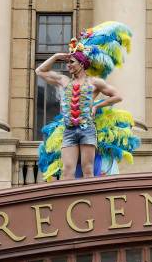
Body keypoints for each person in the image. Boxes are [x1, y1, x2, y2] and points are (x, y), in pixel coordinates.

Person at [36, 21, 140, 181]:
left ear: (82, 64)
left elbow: (117, 96)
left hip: (87, 129)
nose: (68, 65)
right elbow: (40, 71)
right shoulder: (64, 81)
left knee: (88, 170)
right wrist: (57, 56)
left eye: (71, 62)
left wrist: (97, 105)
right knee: (67, 171)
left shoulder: (94, 82)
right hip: (69, 130)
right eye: (67, 62)